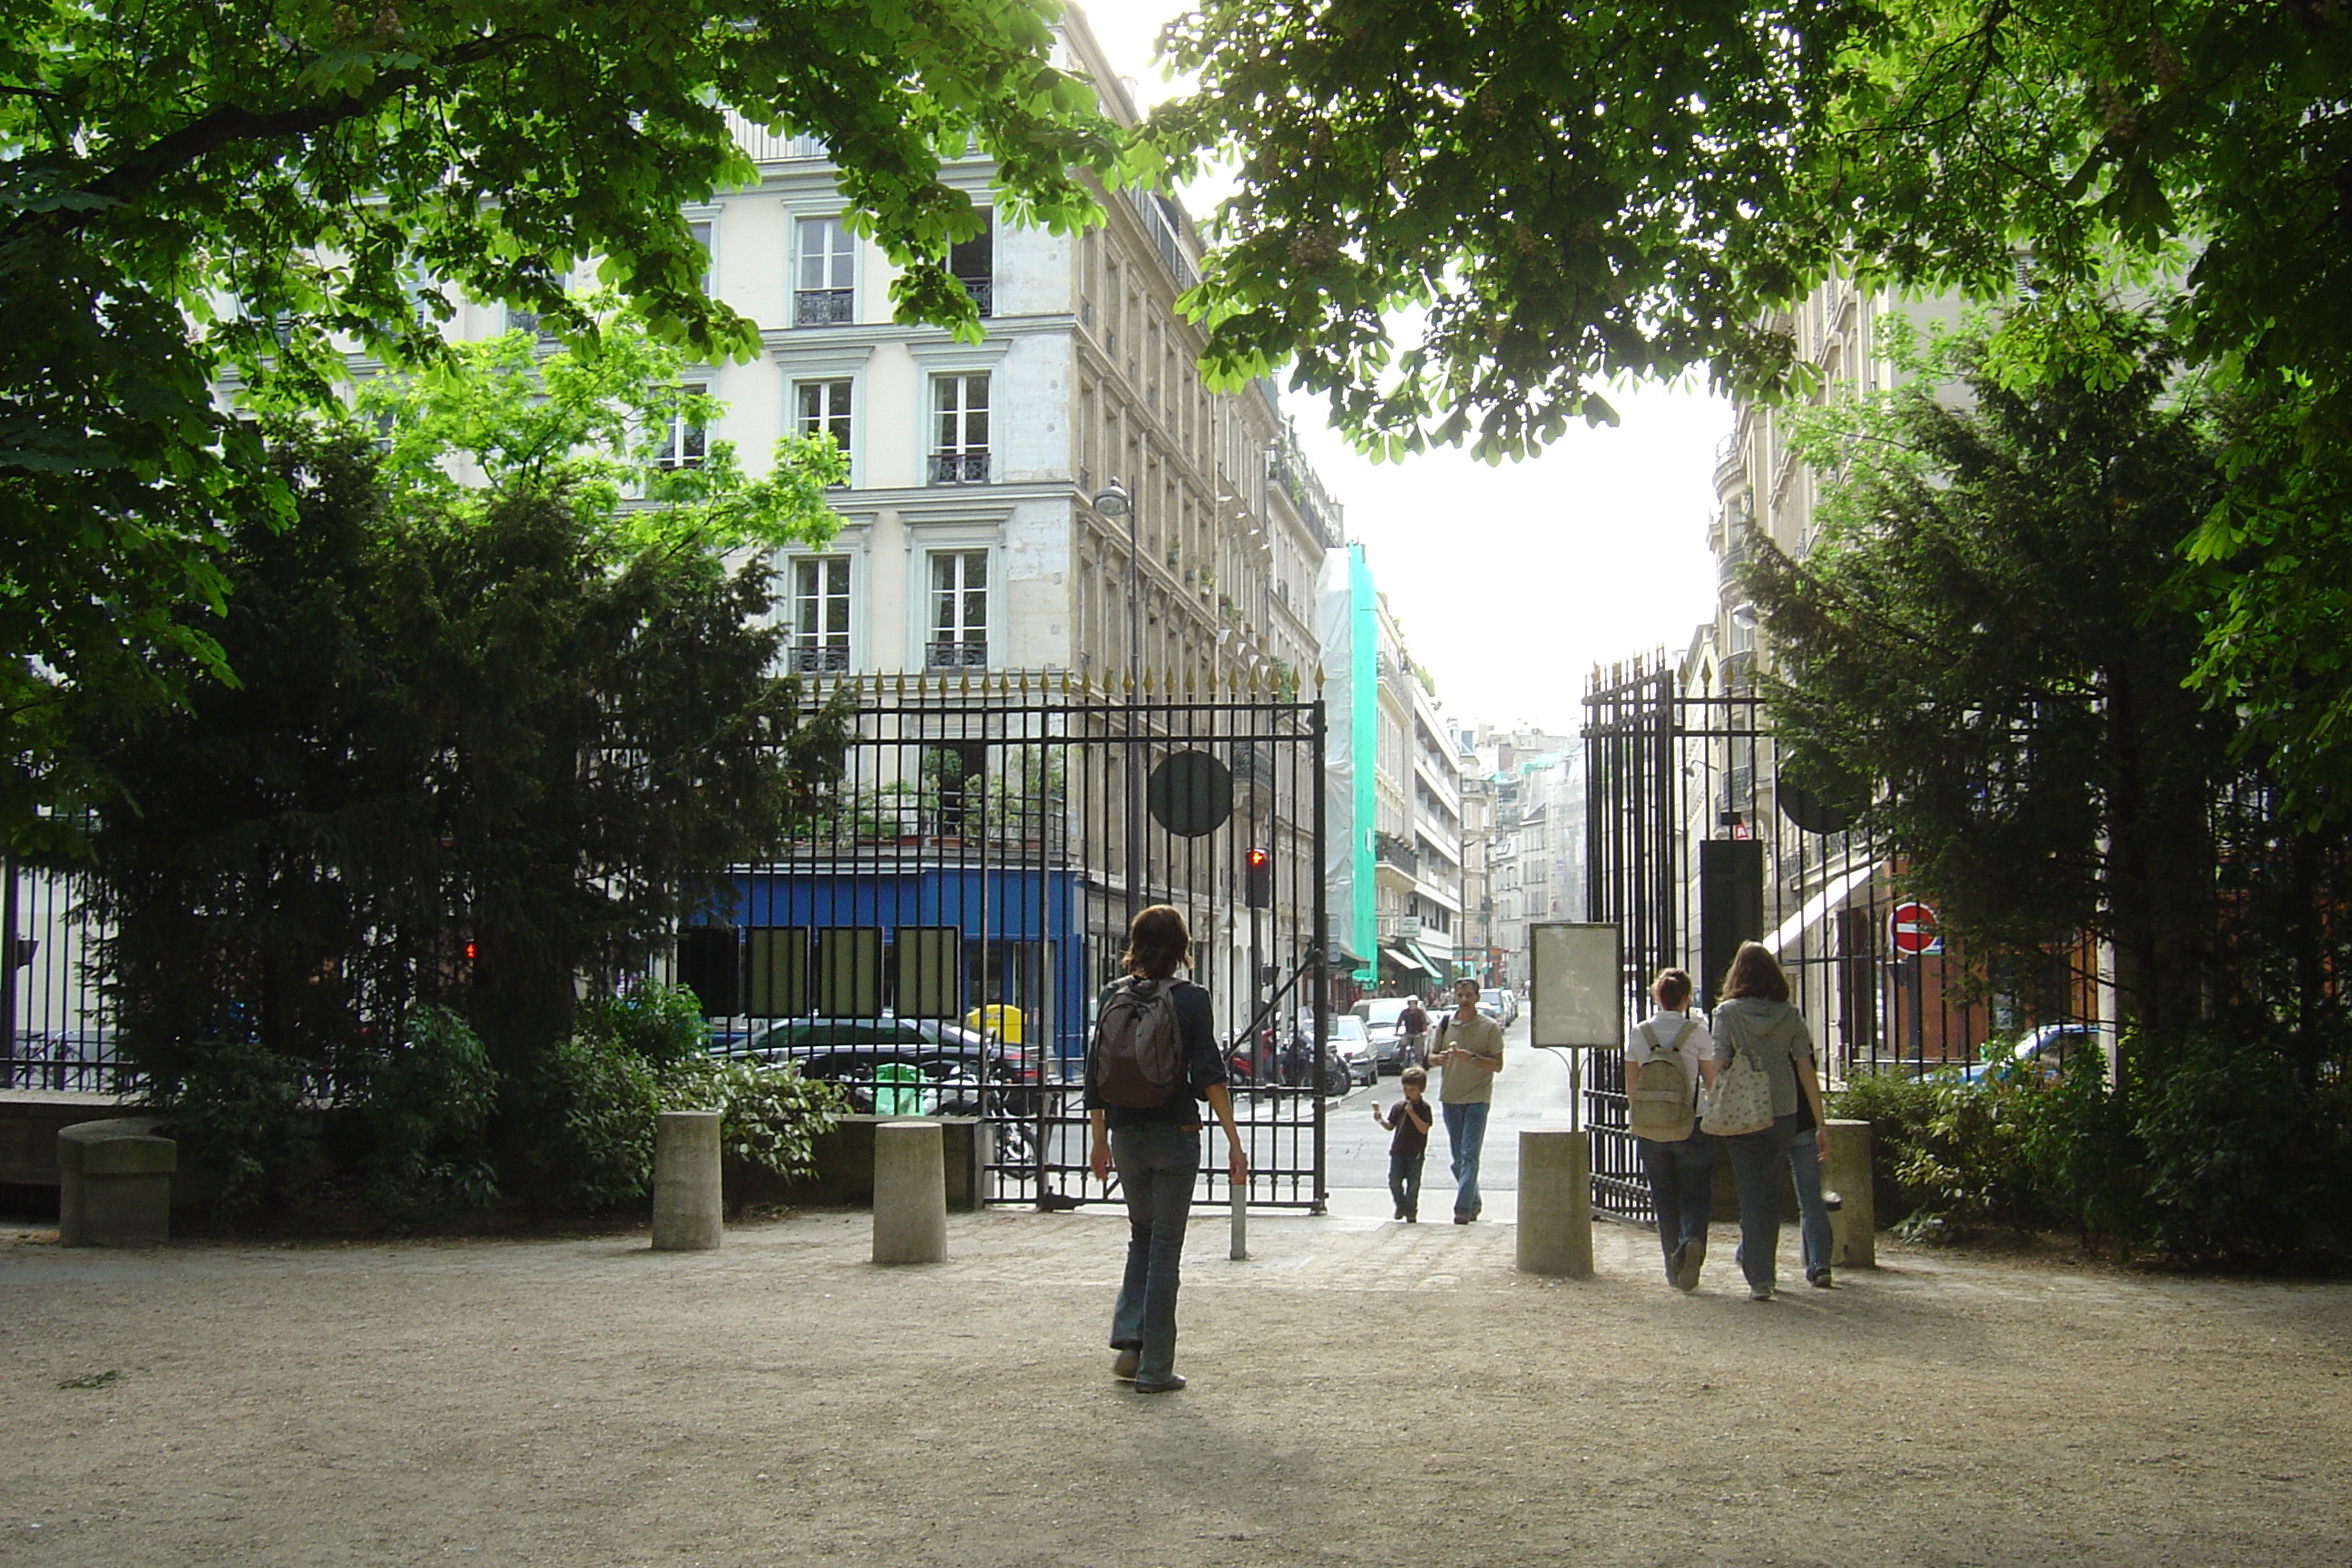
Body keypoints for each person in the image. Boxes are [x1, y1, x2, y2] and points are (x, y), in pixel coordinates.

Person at [1085, 905, 1248, 1393]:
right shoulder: (1191, 999)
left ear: (1134, 943)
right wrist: (1233, 1142)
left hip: (1124, 1134)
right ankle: (1156, 1367)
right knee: (1165, 1249)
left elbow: (1096, 1074)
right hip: (1175, 1134)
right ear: (1183, 949)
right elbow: (1210, 1076)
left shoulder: (1112, 995)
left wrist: (1098, 1142)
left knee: (1141, 1235)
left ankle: (1130, 1344)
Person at [1701, 942, 1830, 1301]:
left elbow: (1718, 1061)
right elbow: (1806, 1069)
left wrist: (1715, 1100)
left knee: (1751, 1193)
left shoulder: (1726, 1013)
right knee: (1770, 1193)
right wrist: (1820, 1123)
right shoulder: (1789, 1014)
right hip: (1784, 1109)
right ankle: (1762, 1267)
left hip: (1744, 1110)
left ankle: (1760, 1276)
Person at [1625, 967, 1715, 1290]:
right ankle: (1691, 1239)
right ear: (1686, 997)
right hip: (1691, 1121)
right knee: (1695, 1193)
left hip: (1650, 1127)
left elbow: (1631, 1085)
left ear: (1656, 996)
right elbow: (1711, 1081)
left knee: (1663, 1198)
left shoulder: (1640, 1032)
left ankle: (1672, 1266)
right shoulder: (1697, 1032)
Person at [1429, 975, 1504, 1223]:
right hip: (1450, 1096)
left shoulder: (1488, 1027)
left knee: (1470, 1154)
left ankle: (1462, 1208)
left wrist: (1470, 1058)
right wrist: (1438, 1059)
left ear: (1477, 998)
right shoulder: (1445, 1023)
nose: (1463, 1000)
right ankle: (1474, 1200)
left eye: (1468, 996)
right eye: (1460, 995)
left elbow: (1497, 1065)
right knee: (1458, 1158)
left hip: (1477, 1097)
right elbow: (1432, 1055)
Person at [1373, 1065, 1435, 1221]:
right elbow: (1391, 1126)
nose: (1408, 1093)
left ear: (1421, 1089)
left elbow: (1424, 1129)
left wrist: (1412, 1113)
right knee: (1394, 1181)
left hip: (1415, 1151)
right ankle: (1400, 1205)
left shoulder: (1424, 1108)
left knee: (1413, 1184)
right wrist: (1380, 1120)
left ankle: (1411, 1210)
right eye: (1406, 1089)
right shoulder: (1398, 1107)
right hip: (1398, 1149)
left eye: (1412, 1090)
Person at [1396, 995, 1429, 1071]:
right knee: (1403, 1042)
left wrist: (1424, 1031)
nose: (1412, 1005)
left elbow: (1423, 1022)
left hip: (1418, 1033)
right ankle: (1401, 1059)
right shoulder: (1405, 1012)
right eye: (1411, 1004)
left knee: (1418, 1049)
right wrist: (1397, 1031)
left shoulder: (1420, 1012)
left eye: (1414, 1004)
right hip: (1408, 1033)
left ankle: (1419, 1064)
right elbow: (1399, 1021)